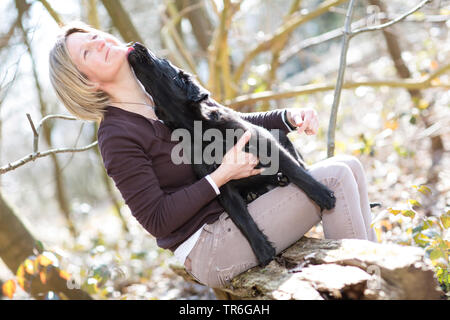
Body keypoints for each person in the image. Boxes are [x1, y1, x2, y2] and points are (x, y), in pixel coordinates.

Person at [49, 22, 377, 289]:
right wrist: (221, 176)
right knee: (336, 176)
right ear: (86, 83)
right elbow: (157, 220)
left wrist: (286, 118)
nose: (100, 42)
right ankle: (366, 288)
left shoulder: (155, 86)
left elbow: (224, 121)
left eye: (94, 35)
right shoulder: (116, 135)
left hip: (235, 215)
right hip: (208, 245)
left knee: (350, 165)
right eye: (87, 51)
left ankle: (378, 281)